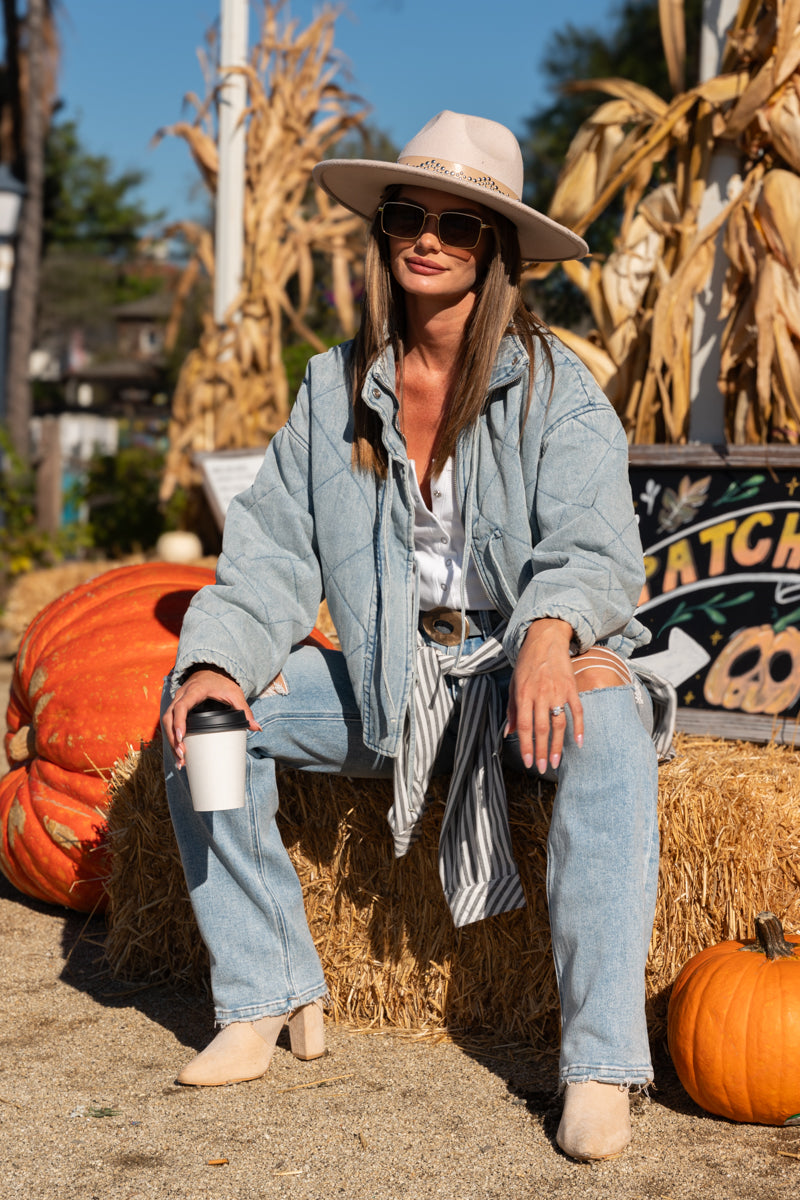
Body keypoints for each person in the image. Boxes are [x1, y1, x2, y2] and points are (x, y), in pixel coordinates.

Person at [161, 110, 662, 1162]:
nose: (427, 237)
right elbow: (268, 559)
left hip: (517, 667)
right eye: (408, 214)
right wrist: (211, 664)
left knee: (611, 733)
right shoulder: (330, 391)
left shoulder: (555, 392)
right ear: (384, 230)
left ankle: (600, 1062)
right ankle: (264, 990)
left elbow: (594, 543)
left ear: (497, 252)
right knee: (206, 726)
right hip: (392, 679)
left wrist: (549, 631)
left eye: (460, 224)